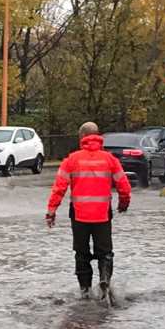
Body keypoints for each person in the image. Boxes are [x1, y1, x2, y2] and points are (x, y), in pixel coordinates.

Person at [46, 122, 132, 299]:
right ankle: (105, 280)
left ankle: (85, 291)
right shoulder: (110, 159)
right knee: (105, 252)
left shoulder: (72, 160)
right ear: (97, 136)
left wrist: (51, 210)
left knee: (81, 253)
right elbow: (124, 186)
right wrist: (124, 204)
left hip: (79, 216)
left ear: (81, 138)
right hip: (102, 215)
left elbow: (59, 188)